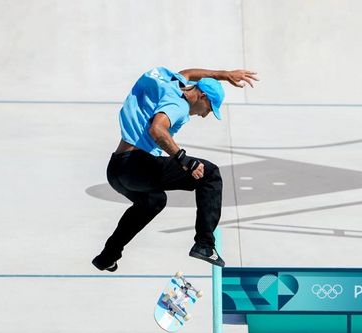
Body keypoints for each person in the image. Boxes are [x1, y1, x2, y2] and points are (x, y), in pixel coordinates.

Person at [92, 66, 258, 271]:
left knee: (153, 201)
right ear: (201, 96)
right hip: (137, 165)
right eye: (209, 108)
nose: (205, 115)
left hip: (117, 170)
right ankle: (205, 244)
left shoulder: (171, 81)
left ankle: (108, 256)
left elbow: (188, 73)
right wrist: (184, 160)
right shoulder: (177, 105)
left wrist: (223, 75)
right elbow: (157, 129)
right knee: (210, 174)